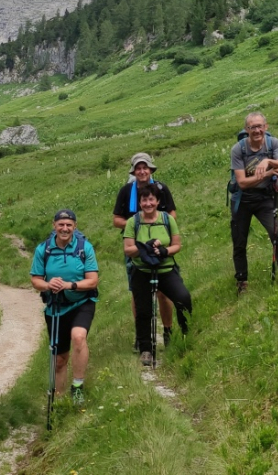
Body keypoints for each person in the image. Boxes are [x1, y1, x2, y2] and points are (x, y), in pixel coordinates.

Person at [30, 209, 99, 405]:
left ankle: (77, 386)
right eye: (61, 224)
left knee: (78, 337)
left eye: (69, 225)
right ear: (54, 226)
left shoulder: (84, 248)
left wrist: (69, 285)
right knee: (60, 360)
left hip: (82, 302)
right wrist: (48, 285)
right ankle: (59, 402)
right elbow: (36, 280)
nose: (65, 228)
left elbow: (92, 281)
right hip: (56, 306)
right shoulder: (44, 249)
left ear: (75, 227)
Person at [123, 185, 193, 366]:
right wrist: (143, 248)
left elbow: (177, 245)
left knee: (183, 298)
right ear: (139, 203)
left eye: (151, 199)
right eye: (144, 200)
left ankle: (186, 335)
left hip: (166, 269)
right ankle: (146, 349)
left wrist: (164, 251)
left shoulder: (167, 219)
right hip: (142, 270)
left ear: (158, 201)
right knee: (143, 309)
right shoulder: (133, 222)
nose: (148, 203)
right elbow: (128, 249)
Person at [112, 153, 176, 349]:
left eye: (145, 168)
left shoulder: (161, 189)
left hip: (158, 245)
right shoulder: (126, 191)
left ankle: (168, 330)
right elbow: (116, 220)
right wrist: (136, 226)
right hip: (135, 247)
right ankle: (142, 336)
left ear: (150, 170)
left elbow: (172, 213)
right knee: (137, 293)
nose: (142, 171)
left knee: (163, 291)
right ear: (133, 172)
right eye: (138, 168)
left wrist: (159, 227)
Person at [230, 112, 278, 293]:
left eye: (259, 126)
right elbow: (242, 182)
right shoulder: (238, 149)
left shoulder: (273, 143)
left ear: (266, 126)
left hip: (265, 198)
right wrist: (268, 173)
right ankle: (242, 281)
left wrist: (268, 161)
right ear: (246, 129)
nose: (257, 130)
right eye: (252, 127)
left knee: (277, 234)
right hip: (243, 200)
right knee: (239, 241)